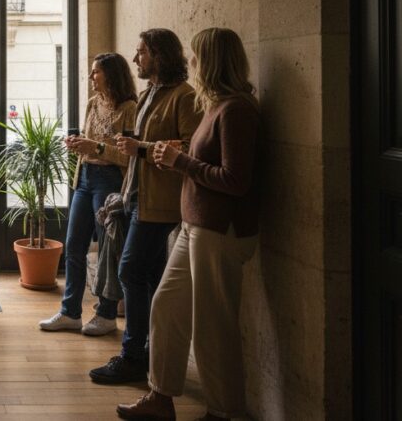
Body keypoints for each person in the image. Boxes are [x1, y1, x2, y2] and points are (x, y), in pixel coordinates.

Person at [117, 28, 261, 421]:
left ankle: (225, 411)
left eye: (196, 57)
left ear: (212, 61)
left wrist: (180, 162)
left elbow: (235, 180)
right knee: (166, 305)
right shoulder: (215, 105)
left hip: (219, 229)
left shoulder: (236, 109)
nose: (191, 63)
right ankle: (160, 397)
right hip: (194, 225)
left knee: (213, 325)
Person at [89, 28, 202, 384]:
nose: (136, 58)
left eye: (142, 53)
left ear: (160, 55)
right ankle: (154, 351)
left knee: (129, 272)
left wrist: (139, 148)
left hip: (161, 203)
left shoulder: (184, 96)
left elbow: (188, 149)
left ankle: (133, 354)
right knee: (151, 277)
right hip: (138, 196)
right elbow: (144, 145)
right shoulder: (150, 93)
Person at [39, 52, 137, 336]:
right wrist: (77, 143)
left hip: (109, 181)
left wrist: (94, 148)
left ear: (111, 74)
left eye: (96, 72)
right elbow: (89, 140)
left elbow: (129, 156)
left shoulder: (130, 107)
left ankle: (106, 315)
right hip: (84, 178)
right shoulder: (93, 103)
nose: (91, 76)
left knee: (107, 250)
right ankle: (70, 312)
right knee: (73, 246)